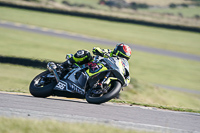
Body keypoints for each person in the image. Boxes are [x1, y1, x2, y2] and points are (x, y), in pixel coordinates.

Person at [61, 43, 131, 86]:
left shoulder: (123, 65)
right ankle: (62, 66)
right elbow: (96, 49)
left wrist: (126, 80)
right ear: (117, 51)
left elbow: (127, 76)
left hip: (102, 72)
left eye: (125, 58)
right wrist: (99, 51)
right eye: (121, 55)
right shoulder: (109, 52)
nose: (122, 58)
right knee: (84, 53)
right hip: (92, 64)